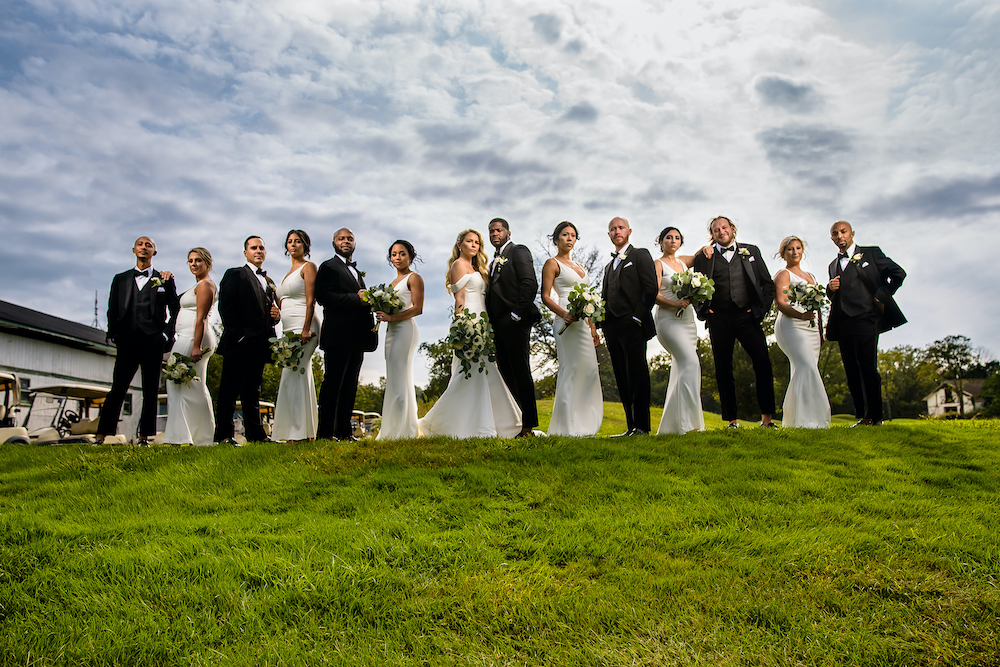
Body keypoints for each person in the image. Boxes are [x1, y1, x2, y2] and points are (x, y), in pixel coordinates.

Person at [418, 229, 522, 438]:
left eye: (476, 242)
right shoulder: (458, 265)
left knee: (485, 371)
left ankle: (493, 422)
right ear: (460, 244)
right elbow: (460, 298)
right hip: (469, 322)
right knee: (467, 372)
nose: (473, 245)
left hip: (483, 323)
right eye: (469, 241)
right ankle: (444, 424)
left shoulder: (478, 267)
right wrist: (462, 326)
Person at [692, 216, 777, 429]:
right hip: (718, 316)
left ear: (732, 229)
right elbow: (694, 289)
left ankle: (767, 419)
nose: (721, 232)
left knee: (763, 363)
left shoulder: (752, 251)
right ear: (712, 235)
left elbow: (768, 285)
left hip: (747, 316)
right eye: (716, 230)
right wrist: (704, 311)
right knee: (723, 367)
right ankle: (732, 420)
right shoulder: (704, 258)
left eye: (724, 227)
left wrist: (759, 311)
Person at [98, 236, 179, 445]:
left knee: (150, 390)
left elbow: (175, 309)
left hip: (153, 341)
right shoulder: (120, 279)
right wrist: (114, 334)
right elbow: (112, 309)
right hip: (127, 341)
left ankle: (144, 436)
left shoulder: (165, 279)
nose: (144, 248)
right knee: (118, 388)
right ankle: (102, 434)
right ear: (134, 249)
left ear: (154, 252)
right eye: (141, 244)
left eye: (149, 245)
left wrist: (166, 334)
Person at [826, 220, 906, 426]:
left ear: (852, 233)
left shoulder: (871, 254)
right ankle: (863, 416)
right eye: (835, 233)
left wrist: (881, 297)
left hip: (866, 318)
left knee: (867, 367)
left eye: (843, 232)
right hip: (843, 322)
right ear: (832, 238)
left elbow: (898, 274)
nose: (839, 236)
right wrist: (829, 289)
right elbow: (836, 296)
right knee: (851, 370)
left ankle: (876, 416)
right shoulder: (833, 265)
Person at [213, 236, 281, 445]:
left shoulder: (268, 282)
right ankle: (224, 435)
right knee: (229, 390)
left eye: (261, 248)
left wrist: (276, 316)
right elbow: (226, 307)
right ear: (246, 253)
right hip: (239, 343)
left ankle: (256, 435)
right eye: (254, 248)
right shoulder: (235, 274)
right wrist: (239, 336)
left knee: (253, 391)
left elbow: (268, 311)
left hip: (261, 344)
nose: (258, 251)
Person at [314, 228, 378, 441]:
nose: (346, 241)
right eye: (341, 238)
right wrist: (355, 299)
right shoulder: (328, 267)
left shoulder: (356, 272)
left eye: (350, 238)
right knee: (333, 384)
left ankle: (344, 432)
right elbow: (323, 296)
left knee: (350, 386)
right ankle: (325, 433)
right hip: (337, 336)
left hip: (357, 337)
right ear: (334, 244)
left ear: (354, 243)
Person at [540, 221, 603, 437]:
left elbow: (590, 302)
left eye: (573, 235)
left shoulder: (581, 267)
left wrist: (593, 329)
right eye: (565, 235)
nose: (569, 238)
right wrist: (563, 314)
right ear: (556, 239)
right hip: (565, 320)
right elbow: (545, 296)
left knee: (590, 370)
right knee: (571, 370)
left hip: (584, 323)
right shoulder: (552, 263)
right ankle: (567, 426)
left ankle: (586, 423)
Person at [599, 216, 658, 436]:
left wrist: (638, 317)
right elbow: (606, 295)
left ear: (629, 231)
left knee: (637, 373)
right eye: (613, 229)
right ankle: (630, 426)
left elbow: (651, 287)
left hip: (633, 322)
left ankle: (642, 426)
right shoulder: (608, 266)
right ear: (609, 235)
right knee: (621, 375)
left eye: (620, 227)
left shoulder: (639, 254)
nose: (617, 231)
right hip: (611, 326)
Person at [486, 217, 541, 437]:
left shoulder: (518, 251)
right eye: (491, 232)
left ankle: (528, 425)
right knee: (506, 371)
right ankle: (514, 422)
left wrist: (516, 315)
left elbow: (529, 283)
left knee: (520, 371)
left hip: (516, 321)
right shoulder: (493, 261)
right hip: (498, 325)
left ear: (508, 233)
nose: (494, 234)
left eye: (498, 230)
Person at [653, 227, 707, 435]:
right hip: (668, 319)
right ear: (661, 241)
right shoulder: (658, 264)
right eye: (668, 237)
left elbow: (700, 255)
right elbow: (653, 294)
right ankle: (685, 425)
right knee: (691, 363)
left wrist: (706, 249)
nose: (673, 241)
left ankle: (675, 426)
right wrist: (674, 304)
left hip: (687, 320)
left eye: (676, 238)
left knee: (683, 367)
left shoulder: (684, 262)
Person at [773, 236, 831, 428]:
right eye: (790, 249)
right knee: (807, 367)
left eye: (798, 248)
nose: (795, 252)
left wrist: (820, 331)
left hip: (812, 329)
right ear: (783, 253)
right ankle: (810, 421)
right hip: (792, 326)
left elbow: (817, 308)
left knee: (804, 369)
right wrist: (800, 316)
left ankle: (797, 420)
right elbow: (780, 303)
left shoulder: (811, 277)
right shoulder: (783, 274)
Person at [163, 247, 218, 445]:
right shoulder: (197, 285)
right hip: (185, 338)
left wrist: (196, 346)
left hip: (193, 340)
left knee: (184, 383)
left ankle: (192, 436)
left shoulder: (205, 285)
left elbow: (201, 318)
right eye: (190, 261)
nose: (194, 264)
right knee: (189, 385)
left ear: (207, 263)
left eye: (198, 261)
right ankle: (194, 436)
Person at [271, 230, 321, 443]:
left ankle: (299, 433)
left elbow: (311, 300)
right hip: (287, 329)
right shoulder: (286, 272)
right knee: (296, 375)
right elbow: (284, 302)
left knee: (296, 373)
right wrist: (277, 312)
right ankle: (303, 431)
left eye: (298, 241)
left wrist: (306, 328)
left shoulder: (308, 267)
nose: (293, 245)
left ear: (305, 246)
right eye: (290, 242)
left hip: (305, 326)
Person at [375, 240, 424, 440]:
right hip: (391, 330)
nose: (398, 258)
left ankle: (405, 430)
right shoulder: (392, 284)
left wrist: (392, 317)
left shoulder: (415, 278)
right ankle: (393, 428)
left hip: (405, 329)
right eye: (394, 254)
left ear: (410, 256)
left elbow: (418, 308)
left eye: (402, 254)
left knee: (401, 375)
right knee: (393, 378)